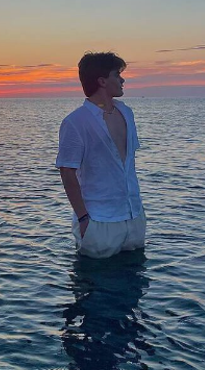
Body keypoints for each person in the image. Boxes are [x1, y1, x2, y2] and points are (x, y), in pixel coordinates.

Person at [56, 51, 146, 258]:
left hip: (134, 216)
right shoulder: (76, 122)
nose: (122, 80)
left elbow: (127, 162)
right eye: (117, 74)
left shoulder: (127, 113)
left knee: (135, 284)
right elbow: (67, 172)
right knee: (96, 285)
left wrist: (138, 213)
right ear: (102, 81)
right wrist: (83, 219)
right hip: (99, 221)